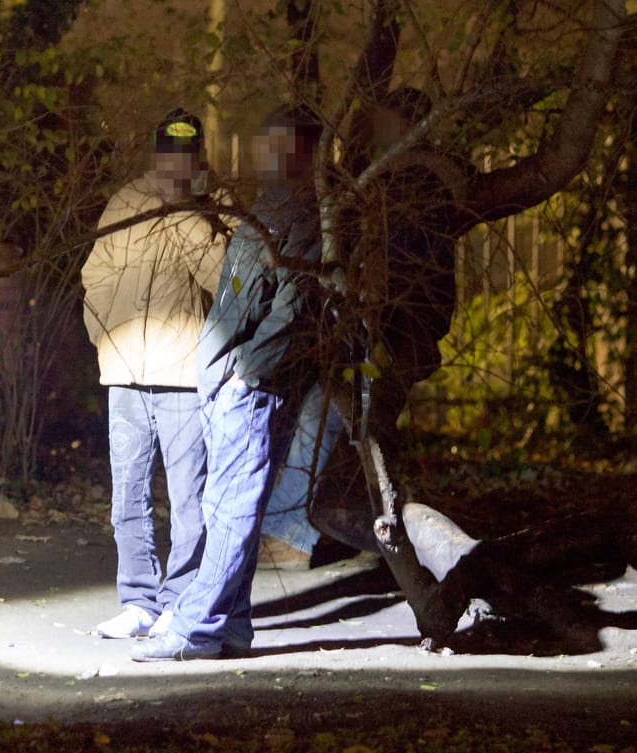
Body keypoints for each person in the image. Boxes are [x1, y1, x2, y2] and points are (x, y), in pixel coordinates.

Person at [132, 105, 325, 662]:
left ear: (301, 150)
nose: (265, 151)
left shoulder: (303, 215)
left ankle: (196, 627)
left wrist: (245, 372)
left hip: (250, 386)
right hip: (230, 381)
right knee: (228, 506)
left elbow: (294, 305)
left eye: (277, 142)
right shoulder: (274, 207)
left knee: (231, 507)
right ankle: (231, 624)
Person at [256, 87, 468, 561]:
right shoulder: (404, 184)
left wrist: (367, 308)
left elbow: (400, 268)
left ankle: (300, 535)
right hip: (388, 333)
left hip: (389, 336)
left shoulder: (412, 189)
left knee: (332, 413)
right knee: (346, 420)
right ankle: (355, 533)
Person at [81, 108, 225, 640]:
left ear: (198, 158)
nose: (174, 165)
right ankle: (138, 600)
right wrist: (105, 338)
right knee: (127, 496)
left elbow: (223, 277)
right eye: (167, 154)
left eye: (184, 156)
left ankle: (182, 602)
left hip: (184, 375)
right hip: (124, 374)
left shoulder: (214, 208)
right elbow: (95, 274)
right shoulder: (127, 201)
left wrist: (185, 212)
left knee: (190, 498)